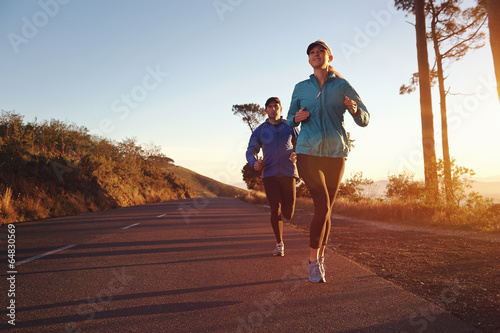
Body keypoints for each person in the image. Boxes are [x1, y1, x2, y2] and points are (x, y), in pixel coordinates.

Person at [286, 40, 370, 283]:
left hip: (335, 154)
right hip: (308, 153)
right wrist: (296, 117)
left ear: (329, 57)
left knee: (327, 210)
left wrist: (354, 109)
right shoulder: (301, 87)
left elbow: (365, 118)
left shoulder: (342, 85)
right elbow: (290, 118)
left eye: (320, 51)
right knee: (322, 204)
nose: (315, 54)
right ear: (308, 59)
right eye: (312, 52)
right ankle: (312, 261)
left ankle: (321, 257)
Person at [246, 97, 300, 256]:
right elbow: (250, 151)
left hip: (289, 173)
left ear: (280, 109)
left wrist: (298, 153)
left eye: (276, 106)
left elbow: (303, 143)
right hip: (269, 174)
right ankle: (279, 244)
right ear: (266, 110)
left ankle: (285, 216)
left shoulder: (290, 126)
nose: (273, 109)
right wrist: (254, 163)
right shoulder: (260, 130)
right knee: (275, 209)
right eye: (270, 106)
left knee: (288, 213)